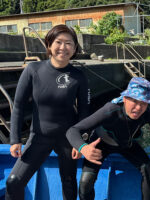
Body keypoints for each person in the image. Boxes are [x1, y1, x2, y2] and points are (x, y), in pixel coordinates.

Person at [6, 24, 90, 200]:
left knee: (68, 182)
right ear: (49, 45)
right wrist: (14, 140)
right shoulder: (33, 70)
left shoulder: (79, 76)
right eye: (58, 42)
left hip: (68, 137)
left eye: (69, 43)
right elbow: (19, 105)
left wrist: (80, 141)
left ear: (74, 48)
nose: (63, 47)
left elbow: (84, 111)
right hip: (39, 137)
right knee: (14, 181)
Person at [66, 77, 150, 200]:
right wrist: (82, 146)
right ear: (124, 99)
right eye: (134, 100)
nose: (139, 108)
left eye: (143, 103)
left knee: (149, 169)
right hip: (100, 146)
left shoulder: (148, 113)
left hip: (126, 144)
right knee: (85, 183)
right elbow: (73, 131)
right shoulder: (110, 110)